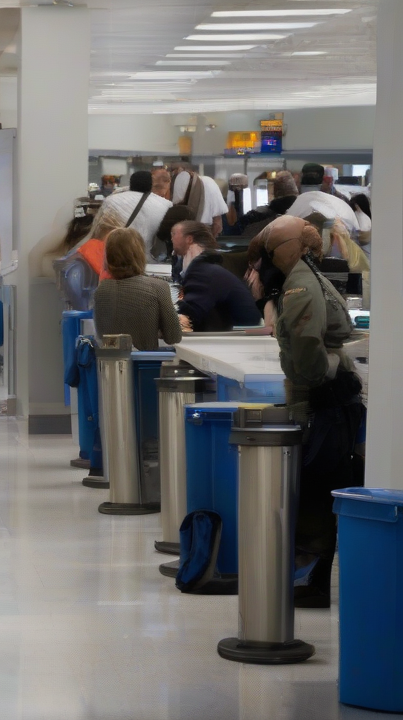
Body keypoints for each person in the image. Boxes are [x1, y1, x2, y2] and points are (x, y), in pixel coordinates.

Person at [247, 215, 363, 608]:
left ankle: (314, 579)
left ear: (287, 249)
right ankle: (316, 577)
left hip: (318, 399)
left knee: (316, 488)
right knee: (324, 484)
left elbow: (307, 347)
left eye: (272, 248)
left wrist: (309, 387)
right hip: (330, 397)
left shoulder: (299, 285)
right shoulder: (308, 275)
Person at [92, 227, 182, 351]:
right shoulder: (158, 287)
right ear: (139, 253)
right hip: (145, 366)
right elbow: (174, 337)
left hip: (110, 366)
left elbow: (103, 334)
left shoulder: (101, 291)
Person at [171, 220, 261, 332]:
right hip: (236, 333)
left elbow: (190, 315)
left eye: (174, 234)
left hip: (233, 338)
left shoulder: (201, 271)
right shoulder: (209, 266)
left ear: (189, 239)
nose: (171, 239)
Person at [96, 170, 173, 260]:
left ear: (131, 183)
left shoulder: (111, 200)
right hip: (147, 259)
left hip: (115, 256)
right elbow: (162, 240)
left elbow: (100, 230)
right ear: (150, 184)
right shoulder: (166, 205)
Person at [286, 163, 359, 232]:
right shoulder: (341, 205)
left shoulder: (293, 208)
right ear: (323, 180)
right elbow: (357, 233)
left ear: (299, 179)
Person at [170, 164, 228, 237]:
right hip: (204, 230)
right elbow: (217, 222)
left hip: (183, 230)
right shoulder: (208, 182)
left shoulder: (175, 183)